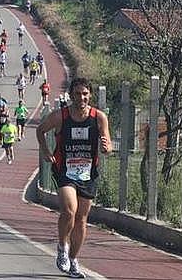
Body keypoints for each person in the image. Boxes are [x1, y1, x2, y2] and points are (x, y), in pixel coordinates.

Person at [36, 77, 112, 278]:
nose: (82, 97)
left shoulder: (99, 117)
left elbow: (108, 144)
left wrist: (107, 148)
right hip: (64, 170)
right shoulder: (60, 116)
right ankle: (62, 246)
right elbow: (40, 130)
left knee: (81, 219)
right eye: (77, 94)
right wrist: (45, 151)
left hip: (88, 173)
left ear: (90, 95)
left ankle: (74, 259)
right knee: (70, 211)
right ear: (71, 95)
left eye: (85, 94)